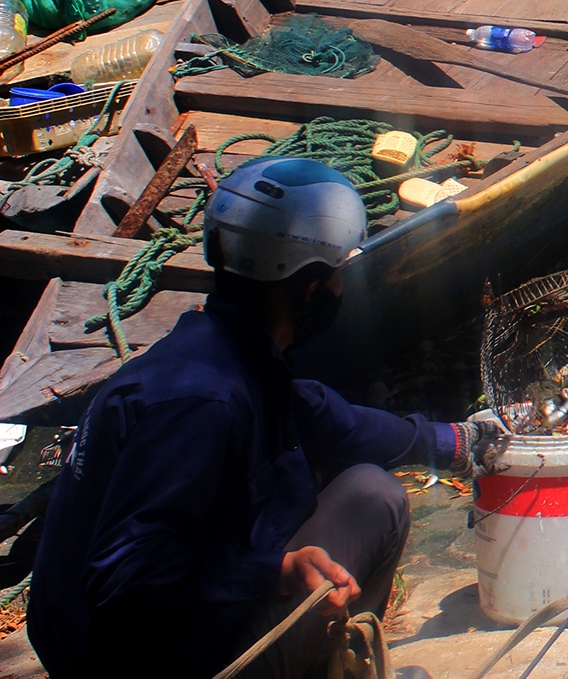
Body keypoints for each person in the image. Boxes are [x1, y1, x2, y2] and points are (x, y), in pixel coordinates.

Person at [27, 157, 506, 679]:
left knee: (360, 483)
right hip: (133, 660)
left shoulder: (210, 358)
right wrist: (274, 572)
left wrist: (454, 442)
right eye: (337, 274)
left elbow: (331, 420)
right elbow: (124, 575)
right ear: (309, 289)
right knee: (379, 502)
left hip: (116, 638)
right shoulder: (203, 407)